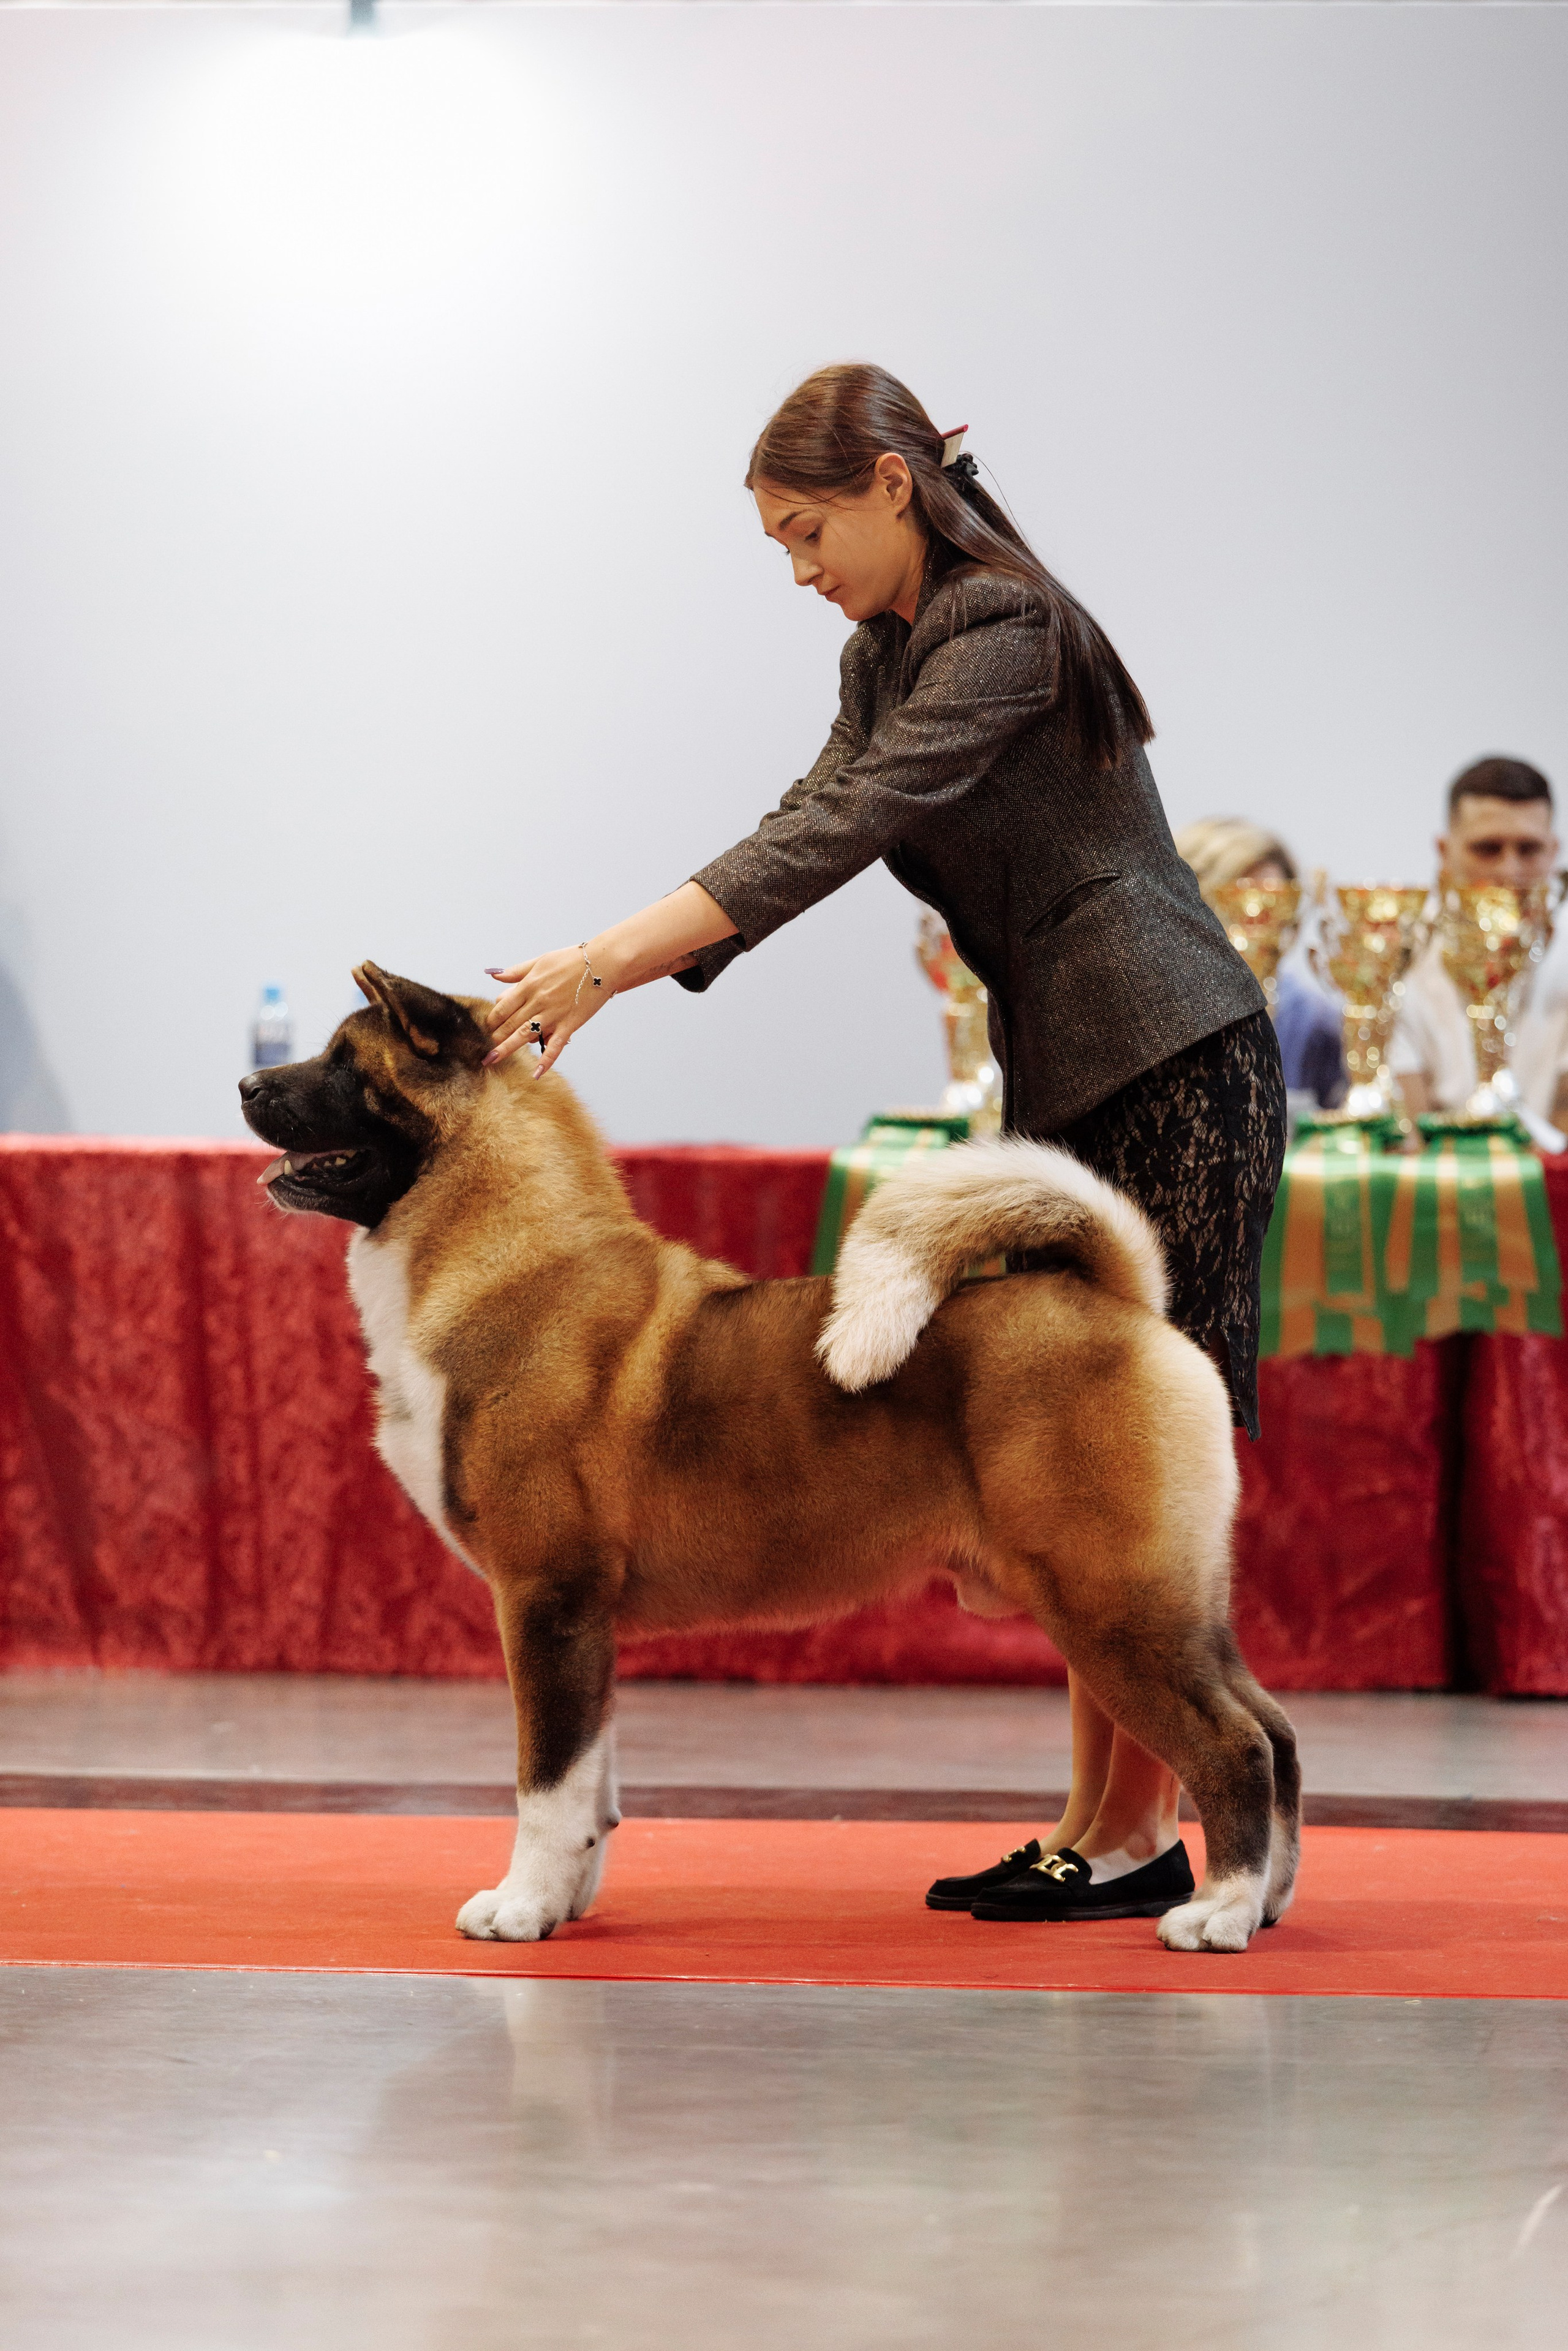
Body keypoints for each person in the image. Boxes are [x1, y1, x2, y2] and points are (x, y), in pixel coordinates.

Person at [483, 363, 1286, 1925]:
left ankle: (1152, 1835)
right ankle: (1102, 1832)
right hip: (1071, 1065)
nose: (798, 569)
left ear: (890, 487)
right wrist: (608, 956)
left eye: (804, 531)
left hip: (1174, 1053)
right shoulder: (884, 652)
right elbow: (816, 799)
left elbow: (832, 835)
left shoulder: (1003, 629)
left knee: (1103, 1467)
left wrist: (600, 963)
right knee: (1058, 1469)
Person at [1390, 757, 1568, 1139]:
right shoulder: (1399, 958)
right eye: (1488, 849)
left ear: (1554, 854)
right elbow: (1408, 1137)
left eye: (1529, 849)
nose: (1509, 872)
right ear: (1444, 850)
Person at [1174, 817, 1346, 1109]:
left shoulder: (1312, 1023)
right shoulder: (1162, 1014)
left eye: (1272, 908)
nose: (1256, 929)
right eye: (1239, 906)